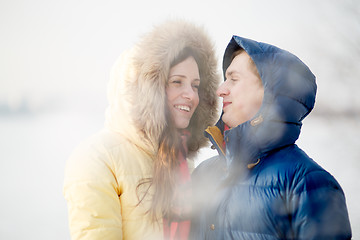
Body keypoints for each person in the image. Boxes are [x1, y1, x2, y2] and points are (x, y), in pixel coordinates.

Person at [63, 19, 220, 240]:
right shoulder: (97, 158)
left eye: (195, 85)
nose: (192, 95)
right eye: (177, 82)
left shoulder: (183, 162)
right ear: (148, 89)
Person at [189, 35, 352, 239]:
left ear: (269, 92)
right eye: (224, 80)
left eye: (233, 79)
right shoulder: (203, 174)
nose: (221, 90)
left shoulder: (309, 183)